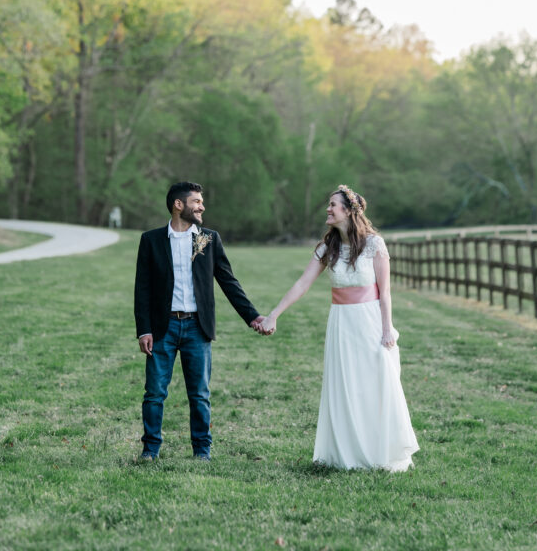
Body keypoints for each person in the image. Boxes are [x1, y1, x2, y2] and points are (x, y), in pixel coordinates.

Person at [255, 185, 419, 470]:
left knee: (374, 384)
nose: (328, 209)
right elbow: (302, 284)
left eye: (333, 205)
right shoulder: (326, 248)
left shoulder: (374, 244)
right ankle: (347, 454)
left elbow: (385, 292)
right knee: (345, 386)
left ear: (348, 210)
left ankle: (379, 452)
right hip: (341, 323)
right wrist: (273, 315)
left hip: (369, 322)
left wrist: (386, 329)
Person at [134, 181, 267, 461]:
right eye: (196, 201)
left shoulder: (209, 238)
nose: (202, 207)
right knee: (154, 393)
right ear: (178, 205)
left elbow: (228, 281)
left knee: (199, 394)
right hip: (162, 328)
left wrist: (253, 316)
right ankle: (150, 450)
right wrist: (144, 330)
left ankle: (202, 451)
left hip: (198, 327)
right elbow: (142, 289)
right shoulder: (151, 240)